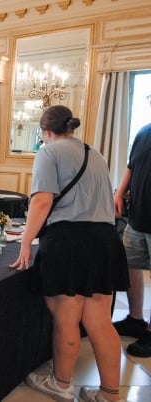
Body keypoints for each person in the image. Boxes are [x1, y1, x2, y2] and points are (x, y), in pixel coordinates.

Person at [9, 105, 128, 402]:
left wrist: (25, 242)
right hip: (104, 240)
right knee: (100, 321)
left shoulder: (49, 152)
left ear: (45, 131)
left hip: (69, 242)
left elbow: (41, 202)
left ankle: (61, 384)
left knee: (66, 317)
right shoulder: (95, 153)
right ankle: (110, 394)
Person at [112, 99, 151, 357]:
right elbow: (131, 166)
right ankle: (135, 318)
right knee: (129, 265)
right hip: (138, 217)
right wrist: (120, 192)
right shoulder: (143, 131)